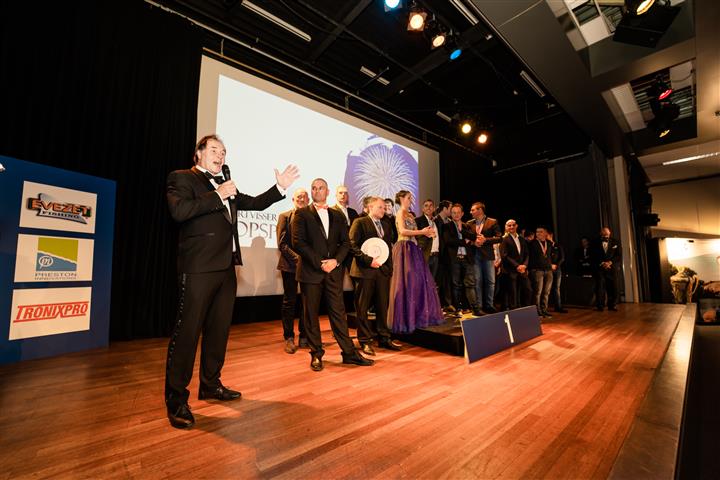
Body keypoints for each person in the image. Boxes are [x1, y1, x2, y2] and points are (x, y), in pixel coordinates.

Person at [165, 134, 299, 429]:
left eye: (224, 151)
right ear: (199, 153)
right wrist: (218, 194)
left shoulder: (226, 184)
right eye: (214, 149)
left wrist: (279, 188)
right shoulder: (182, 178)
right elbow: (180, 211)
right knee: (187, 333)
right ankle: (176, 399)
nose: (220, 155)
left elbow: (255, 204)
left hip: (227, 268)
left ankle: (211, 385)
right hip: (198, 268)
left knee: (218, 331)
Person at [291, 178, 374, 371]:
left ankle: (349, 353)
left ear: (327, 192)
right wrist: (321, 263)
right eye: (313, 188)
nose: (316, 191)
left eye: (320, 188)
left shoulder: (337, 215)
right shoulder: (302, 214)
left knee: (338, 313)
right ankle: (316, 354)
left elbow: (345, 243)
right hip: (311, 272)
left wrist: (335, 261)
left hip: (333, 273)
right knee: (310, 315)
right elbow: (298, 243)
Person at [349, 197, 401, 355]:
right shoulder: (360, 222)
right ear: (370, 207)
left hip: (382, 272)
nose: (383, 210)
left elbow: (388, 248)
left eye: (384, 208)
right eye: (380, 207)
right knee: (363, 307)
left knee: (382, 306)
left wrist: (389, 269)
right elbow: (352, 244)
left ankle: (384, 338)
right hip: (364, 271)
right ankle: (365, 340)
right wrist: (368, 260)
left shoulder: (386, 224)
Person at [388, 190, 444, 333]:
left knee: (418, 282)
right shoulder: (400, 213)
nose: (411, 200)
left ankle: (417, 316)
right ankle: (406, 319)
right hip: (404, 248)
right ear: (401, 198)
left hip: (413, 248)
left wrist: (426, 233)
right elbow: (402, 231)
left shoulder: (410, 214)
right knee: (406, 282)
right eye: (408, 197)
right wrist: (422, 232)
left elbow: (414, 233)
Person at [276, 188, 309, 354]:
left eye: (304, 197)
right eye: (298, 197)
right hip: (289, 266)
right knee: (290, 302)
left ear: (308, 200)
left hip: (309, 267)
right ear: (293, 199)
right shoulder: (284, 216)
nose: (301, 199)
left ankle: (304, 336)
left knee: (307, 302)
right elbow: (282, 244)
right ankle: (289, 337)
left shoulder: (313, 218)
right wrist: (298, 259)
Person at [443, 203, 482, 316]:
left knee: (470, 284)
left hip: (467, 259)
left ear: (462, 214)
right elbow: (449, 242)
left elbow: (473, 237)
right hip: (454, 259)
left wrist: (461, 230)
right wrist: (464, 241)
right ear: (451, 214)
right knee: (456, 285)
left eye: (458, 212)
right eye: (453, 212)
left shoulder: (467, 226)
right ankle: (457, 309)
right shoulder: (447, 226)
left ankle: (475, 309)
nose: (456, 215)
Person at [467, 202, 502, 313]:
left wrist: (485, 240)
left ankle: (489, 305)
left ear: (480, 210)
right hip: (474, 255)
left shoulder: (492, 221)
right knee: (477, 281)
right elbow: (466, 238)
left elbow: (499, 238)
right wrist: (474, 242)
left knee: (490, 281)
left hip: (488, 256)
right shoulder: (469, 223)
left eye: (473, 210)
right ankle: (479, 306)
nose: (470, 212)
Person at [499, 219, 531, 310]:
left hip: (522, 269)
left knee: (528, 289)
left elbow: (527, 254)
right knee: (513, 293)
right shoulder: (504, 239)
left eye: (513, 225)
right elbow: (504, 255)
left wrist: (524, 265)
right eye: (509, 225)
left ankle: (527, 310)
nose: (511, 227)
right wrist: (517, 266)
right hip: (510, 270)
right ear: (506, 227)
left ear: (516, 226)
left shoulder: (521, 239)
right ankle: (514, 312)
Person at [590, 226, 621, 311]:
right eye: (604, 234)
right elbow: (592, 255)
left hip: (611, 268)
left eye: (607, 234)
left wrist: (610, 262)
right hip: (600, 268)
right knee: (600, 287)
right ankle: (600, 306)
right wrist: (602, 263)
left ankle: (612, 305)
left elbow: (618, 255)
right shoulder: (595, 242)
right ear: (601, 234)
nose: (606, 236)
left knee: (613, 287)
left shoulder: (615, 242)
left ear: (610, 233)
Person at [528, 226, 554, 318]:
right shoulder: (532, 243)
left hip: (548, 270)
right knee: (538, 292)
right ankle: (537, 311)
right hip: (537, 270)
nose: (538, 233)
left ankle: (544, 310)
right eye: (537, 232)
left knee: (546, 292)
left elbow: (550, 255)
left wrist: (552, 264)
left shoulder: (549, 243)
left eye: (541, 231)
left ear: (546, 233)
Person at [547, 230, 567, 313]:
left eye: (546, 235)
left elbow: (562, 258)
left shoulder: (558, 245)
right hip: (548, 269)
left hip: (557, 269)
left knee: (556, 288)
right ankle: (544, 308)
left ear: (551, 235)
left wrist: (556, 265)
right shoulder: (546, 246)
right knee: (547, 289)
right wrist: (550, 265)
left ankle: (558, 307)